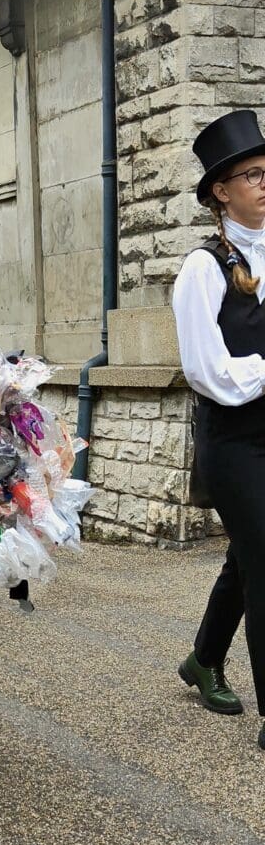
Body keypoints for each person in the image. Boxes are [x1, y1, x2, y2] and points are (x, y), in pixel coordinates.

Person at [173, 108, 265, 750]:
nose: (264, 183)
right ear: (220, 192)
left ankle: (204, 658)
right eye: (252, 174)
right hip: (233, 441)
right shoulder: (202, 269)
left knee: (250, 552)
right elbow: (208, 372)